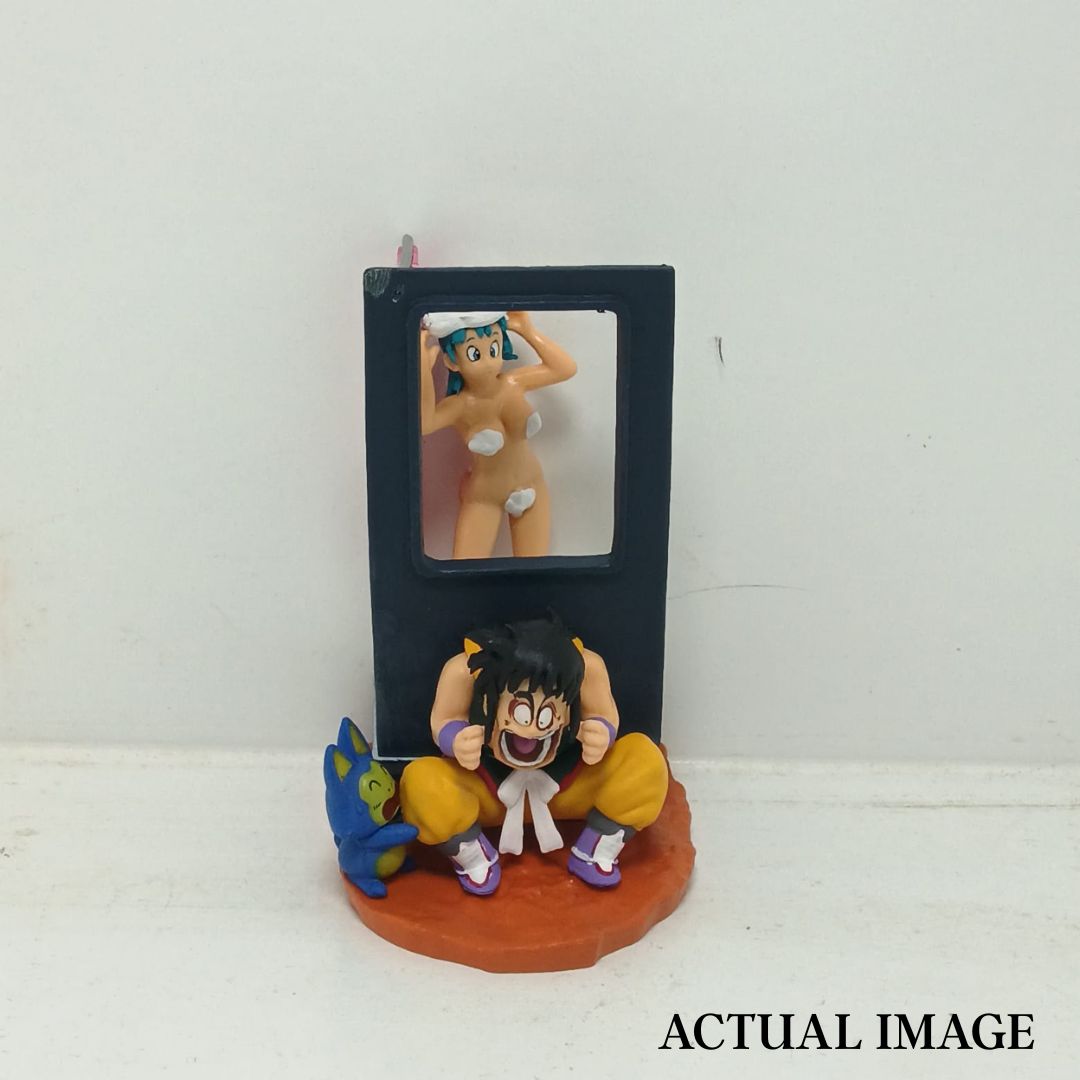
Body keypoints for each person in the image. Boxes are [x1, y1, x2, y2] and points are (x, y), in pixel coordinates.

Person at [398, 614, 670, 895]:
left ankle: (599, 845)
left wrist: (600, 732)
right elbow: (444, 719)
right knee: (422, 781)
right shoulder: (466, 670)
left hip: (565, 787)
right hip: (488, 791)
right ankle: (470, 852)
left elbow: (604, 715)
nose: (530, 730)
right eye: (521, 712)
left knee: (644, 759)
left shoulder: (585, 668)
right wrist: (456, 740)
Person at [419, 311, 577, 558]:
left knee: (535, 571)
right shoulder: (460, 405)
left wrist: (527, 332)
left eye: (494, 349)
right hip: (485, 495)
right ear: (452, 362)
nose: (489, 362)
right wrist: (423, 372)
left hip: (531, 485)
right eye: (475, 354)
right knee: (467, 569)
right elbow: (426, 423)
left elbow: (565, 368)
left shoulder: (514, 383)